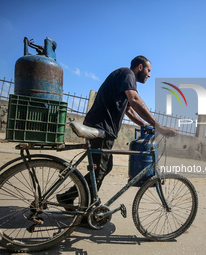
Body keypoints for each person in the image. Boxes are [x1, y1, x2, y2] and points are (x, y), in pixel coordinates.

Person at [57, 55, 177, 209]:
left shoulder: (124, 77)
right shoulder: (128, 74)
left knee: (104, 168)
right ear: (140, 67)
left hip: (102, 127)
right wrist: (159, 126)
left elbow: (129, 110)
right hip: (101, 127)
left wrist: (145, 125)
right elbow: (134, 100)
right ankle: (83, 207)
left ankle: (69, 198)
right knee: (100, 170)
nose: (149, 74)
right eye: (148, 70)